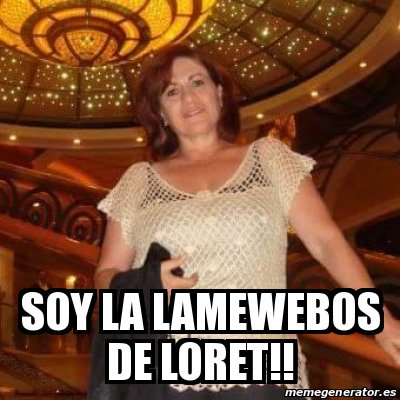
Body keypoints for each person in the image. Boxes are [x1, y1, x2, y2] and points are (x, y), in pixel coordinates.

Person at [91, 44, 400, 399]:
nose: (188, 97)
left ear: (220, 93)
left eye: (197, 82)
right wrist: (147, 284)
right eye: (171, 91)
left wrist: (380, 322)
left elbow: (326, 242)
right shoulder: (138, 180)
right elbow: (105, 275)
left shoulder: (269, 158)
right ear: (160, 110)